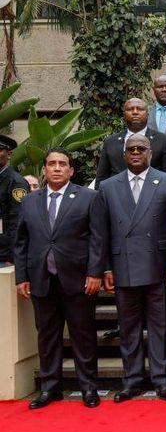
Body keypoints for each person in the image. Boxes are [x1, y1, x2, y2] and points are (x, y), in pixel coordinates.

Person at [14, 148, 104, 409]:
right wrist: (22, 277)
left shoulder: (88, 197)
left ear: (71, 170)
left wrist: (95, 273)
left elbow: (98, 239)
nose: (56, 168)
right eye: (51, 164)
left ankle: (88, 387)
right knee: (47, 336)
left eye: (62, 164)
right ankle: (50, 388)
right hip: (41, 280)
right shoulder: (30, 201)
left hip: (78, 280)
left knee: (83, 336)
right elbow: (21, 242)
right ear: (44, 169)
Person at [98, 134, 166, 402]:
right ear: (124, 155)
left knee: (160, 327)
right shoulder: (108, 186)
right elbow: (102, 232)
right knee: (128, 327)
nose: (135, 152)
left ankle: (161, 379)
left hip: (159, 266)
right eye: (131, 149)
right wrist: (106, 268)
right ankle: (132, 380)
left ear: (150, 153)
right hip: (123, 266)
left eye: (141, 149)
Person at [95, 97, 166, 188]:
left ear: (148, 114)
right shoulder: (110, 142)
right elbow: (101, 178)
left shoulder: (163, 140)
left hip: (153, 192)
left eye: (140, 109)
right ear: (124, 115)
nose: (135, 112)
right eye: (130, 109)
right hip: (117, 193)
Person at [0, 134, 29, 264]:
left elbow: (18, 223)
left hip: (4, 254)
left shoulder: (16, 183)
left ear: (9, 154)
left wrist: (12, 257)